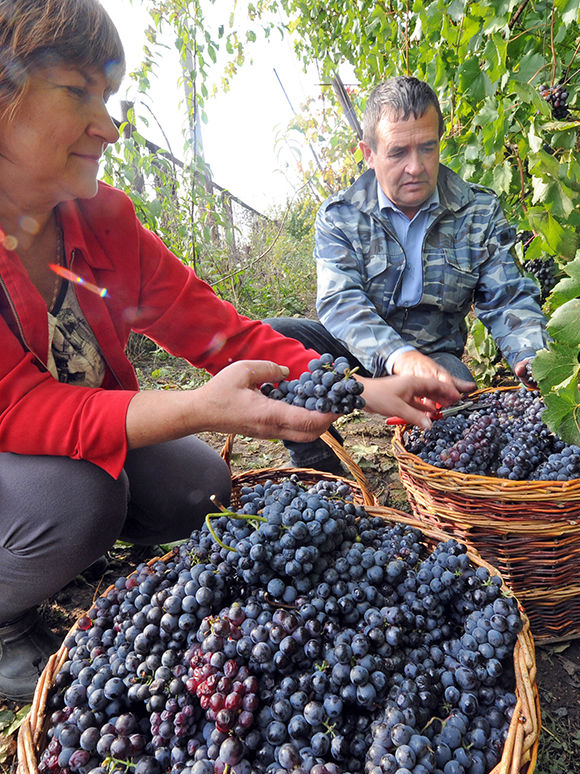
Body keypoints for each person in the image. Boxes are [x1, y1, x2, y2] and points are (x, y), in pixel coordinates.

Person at [0, 2, 467, 701]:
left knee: (200, 487)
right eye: (78, 92)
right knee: (82, 495)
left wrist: (360, 389)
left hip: (65, 449)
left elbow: (221, 332)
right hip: (19, 456)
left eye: (110, 96)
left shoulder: (103, 222)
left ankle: (87, 548)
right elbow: (21, 407)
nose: (110, 125)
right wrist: (195, 409)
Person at [266, 76, 548, 471]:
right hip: (353, 351)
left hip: (435, 360)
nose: (415, 167)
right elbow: (340, 301)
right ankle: (321, 468)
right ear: (368, 152)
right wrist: (399, 356)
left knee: (459, 422)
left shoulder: (478, 211)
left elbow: (507, 298)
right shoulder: (340, 216)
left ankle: (438, 482)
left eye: (427, 148)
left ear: (439, 142)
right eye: (397, 152)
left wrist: (530, 354)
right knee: (273, 339)